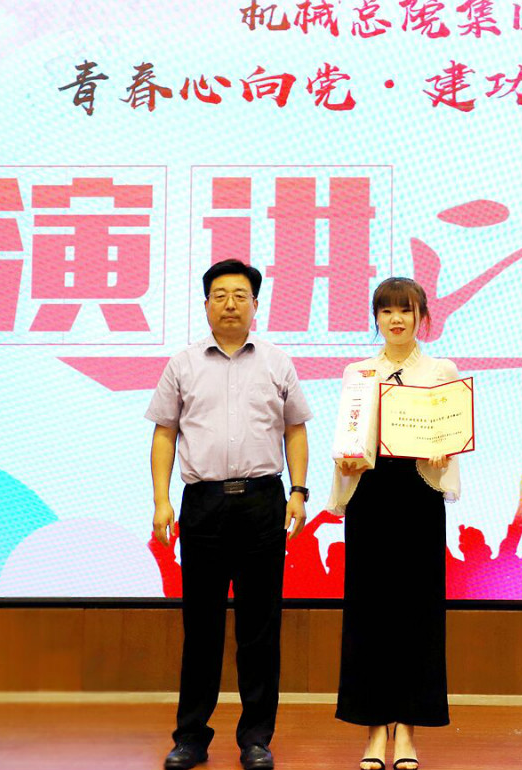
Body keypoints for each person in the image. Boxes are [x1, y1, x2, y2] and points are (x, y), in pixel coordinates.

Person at [148, 259, 312, 770]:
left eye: (240, 295)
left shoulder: (277, 362)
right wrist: (160, 500)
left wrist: (299, 491)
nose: (230, 304)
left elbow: (296, 429)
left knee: (259, 629)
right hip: (204, 505)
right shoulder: (183, 364)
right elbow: (164, 433)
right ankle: (190, 738)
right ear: (206, 305)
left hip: (263, 502)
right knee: (202, 627)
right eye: (219, 295)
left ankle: (256, 739)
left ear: (255, 304)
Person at [328, 277, 460, 770]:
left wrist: (445, 448)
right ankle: (373, 731)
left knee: (417, 614)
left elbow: (453, 433)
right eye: (386, 311)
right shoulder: (359, 372)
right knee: (369, 614)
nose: (397, 319)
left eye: (406, 310)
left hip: (419, 494)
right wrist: (345, 460)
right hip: (372, 495)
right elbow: (348, 435)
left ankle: (407, 730)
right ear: (376, 318)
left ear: (422, 316)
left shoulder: (441, 370)